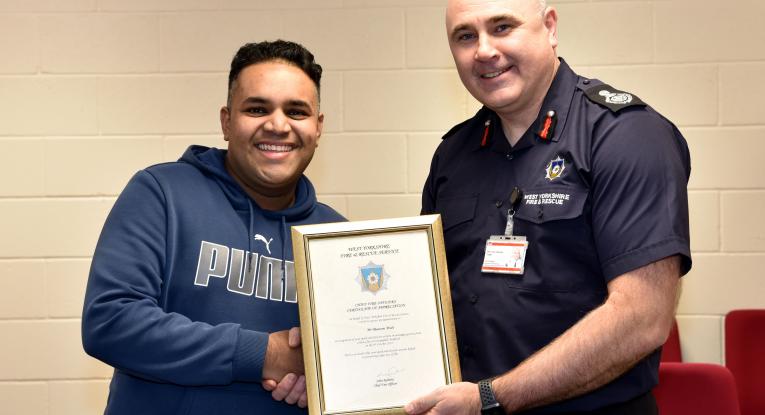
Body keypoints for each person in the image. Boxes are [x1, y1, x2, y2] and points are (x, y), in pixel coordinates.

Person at [407, 0, 691, 413]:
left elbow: (642, 318)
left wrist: (490, 397)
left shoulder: (625, 136)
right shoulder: (453, 154)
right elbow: (426, 297)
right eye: (465, 36)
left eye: (502, 27)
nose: (484, 50)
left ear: (550, 27)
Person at [82, 40, 344, 415]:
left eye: (296, 111)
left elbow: (348, 359)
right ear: (226, 121)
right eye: (257, 108)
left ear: (317, 128)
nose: (277, 124)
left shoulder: (335, 235)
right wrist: (264, 354)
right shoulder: (161, 193)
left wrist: (319, 381)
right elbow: (110, 321)